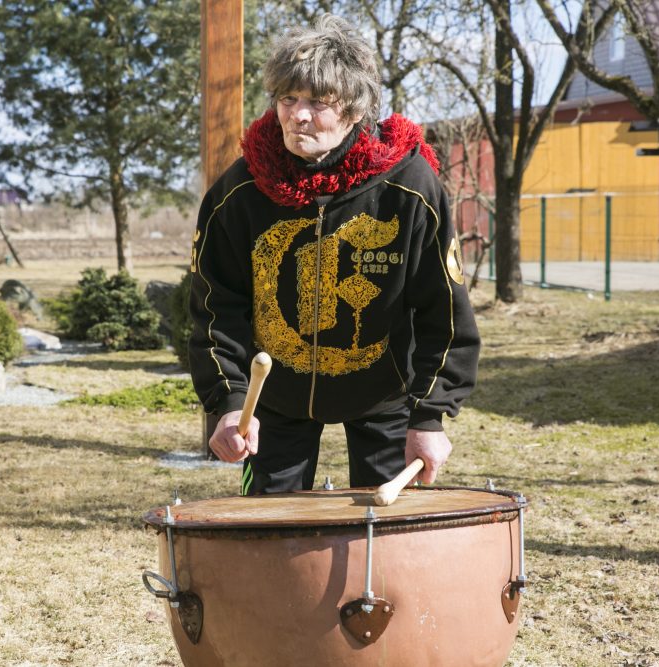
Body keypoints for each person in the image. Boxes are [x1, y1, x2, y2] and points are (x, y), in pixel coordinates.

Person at [188, 14, 480, 496]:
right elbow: (217, 310)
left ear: (355, 109)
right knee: (269, 539)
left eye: (318, 103)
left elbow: (443, 311)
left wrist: (431, 416)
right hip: (273, 400)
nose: (298, 115)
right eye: (288, 99)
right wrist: (229, 400)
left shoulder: (409, 187)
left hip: (385, 393)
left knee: (387, 548)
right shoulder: (237, 193)